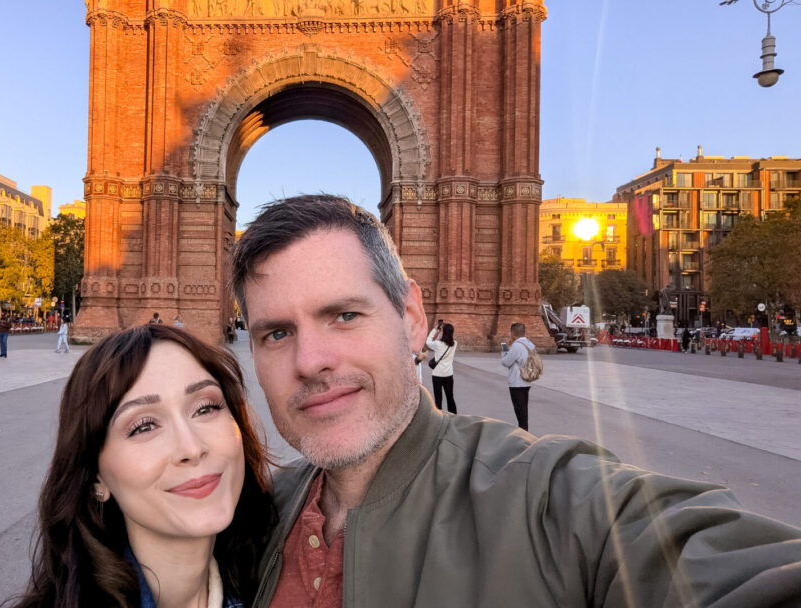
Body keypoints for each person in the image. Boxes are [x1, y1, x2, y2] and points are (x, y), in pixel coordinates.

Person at [230, 194, 801, 607]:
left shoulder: (553, 502)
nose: (311, 361)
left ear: (410, 319)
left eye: (345, 315)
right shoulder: (248, 516)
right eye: (276, 333)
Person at [9, 324, 274, 608]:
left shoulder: (285, 584)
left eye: (206, 408)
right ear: (96, 479)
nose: (192, 448)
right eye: (144, 426)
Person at [500, 322, 534, 431]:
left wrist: (505, 350)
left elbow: (506, 362)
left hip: (517, 382)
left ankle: (523, 435)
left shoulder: (517, 346)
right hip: (527, 380)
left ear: (512, 333)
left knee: (520, 412)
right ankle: (524, 431)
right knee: (524, 410)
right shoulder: (530, 344)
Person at [425, 321, 457, 414]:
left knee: (438, 398)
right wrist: (442, 332)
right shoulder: (455, 344)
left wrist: (436, 330)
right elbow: (447, 340)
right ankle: (454, 417)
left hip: (437, 375)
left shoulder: (437, 344)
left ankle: (439, 418)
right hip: (448, 374)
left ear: (444, 332)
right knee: (450, 397)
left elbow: (428, 341)